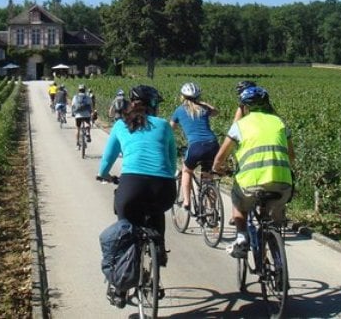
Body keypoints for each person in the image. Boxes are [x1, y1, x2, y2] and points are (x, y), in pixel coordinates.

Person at [212, 86, 295, 258]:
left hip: (251, 183)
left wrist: (217, 168)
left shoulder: (239, 126)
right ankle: (275, 251)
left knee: (237, 201)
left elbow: (220, 157)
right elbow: (291, 157)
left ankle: (241, 238)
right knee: (272, 218)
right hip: (282, 183)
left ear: (244, 107)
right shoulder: (280, 122)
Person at [98, 84, 177, 266]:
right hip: (164, 188)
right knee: (156, 210)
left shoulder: (120, 125)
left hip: (131, 186)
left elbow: (107, 159)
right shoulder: (164, 125)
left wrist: (104, 175)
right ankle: (159, 247)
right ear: (154, 105)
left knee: (125, 229)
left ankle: (121, 287)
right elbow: (172, 162)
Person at [169, 82, 219, 212]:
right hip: (213, 144)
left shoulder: (179, 110)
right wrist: (202, 103)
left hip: (196, 146)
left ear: (182, 97)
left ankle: (186, 202)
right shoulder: (203, 109)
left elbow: (169, 130)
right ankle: (212, 209)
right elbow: (215, 112)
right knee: (208, 176)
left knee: (187, 171)